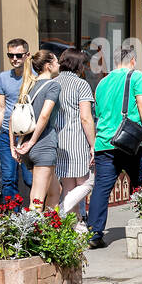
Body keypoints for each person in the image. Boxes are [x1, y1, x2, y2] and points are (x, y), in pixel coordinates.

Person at [88, 47, 142, 249]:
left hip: (104, 142)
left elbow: (99, 114)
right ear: (133, 61)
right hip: (130, 143)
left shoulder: (102, 82)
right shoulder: (135, 76)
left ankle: (94, 233)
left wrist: (94, 144)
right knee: (140, 182)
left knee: (101, 188)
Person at [10, 49, 62, 209]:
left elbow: (13, 116)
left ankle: (50, 229)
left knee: (55, 191)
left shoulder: (29, 85)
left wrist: (14, 145)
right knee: (37, 199)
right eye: (56, 61)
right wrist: (32, 142)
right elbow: (44, 115)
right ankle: (32, 232)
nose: (59, 64)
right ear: (48, 65)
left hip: (26, 147)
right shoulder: (53, 85)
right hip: (43, 145)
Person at [0, 37, 34, 207]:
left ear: (27, 55)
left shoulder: (35, 79)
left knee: (30, 179)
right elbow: (0, 108)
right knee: (8, 179)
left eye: (19, 55)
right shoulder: (3, 78)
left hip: (29, 136)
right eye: (11, 55)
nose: (14, 59)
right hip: (8, 135)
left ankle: (38, 216)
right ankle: (13, 220)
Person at [51, 47, 96, 216]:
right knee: (87, 183)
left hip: (58, 140)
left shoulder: (53, 83)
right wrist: (93, 144)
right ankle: (61, 212)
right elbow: (86, 118)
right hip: (77, 139)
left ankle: (75, 226)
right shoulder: (81, 84)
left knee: (68, 186)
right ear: (79, 65)